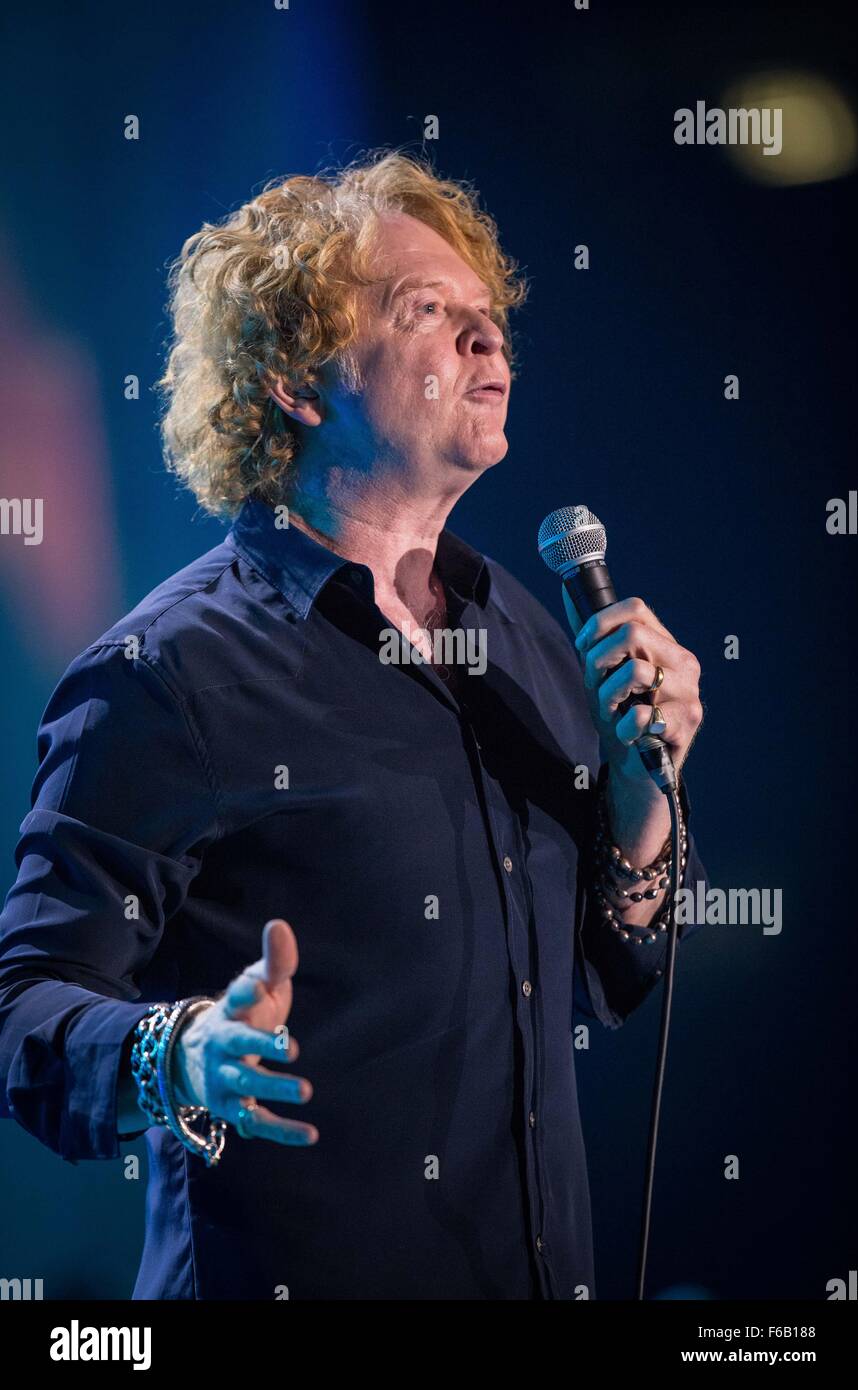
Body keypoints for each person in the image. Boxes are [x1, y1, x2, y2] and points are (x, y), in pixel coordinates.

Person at [0, 150, 705, 1300]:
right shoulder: (167, 673)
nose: (486, 343)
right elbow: (20, 1003)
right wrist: (174, 1051)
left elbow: (605, 971)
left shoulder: (516, 631)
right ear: (296, 378)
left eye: (489, 319)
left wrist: (636, 793)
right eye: (427, 312)